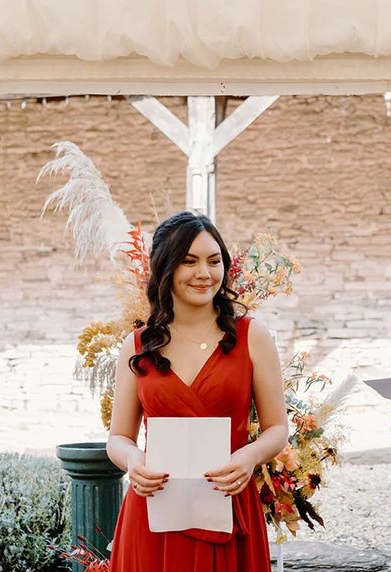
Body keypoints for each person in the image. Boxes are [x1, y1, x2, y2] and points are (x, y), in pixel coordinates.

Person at [107, 211, 288, 571]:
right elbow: (118, 438)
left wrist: (249, 457)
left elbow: (278, 428)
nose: (204, 273)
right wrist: (133, 461)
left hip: (228, 503)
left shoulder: (253, 337)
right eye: (189, 262)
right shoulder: (137, 345)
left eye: (214, 260)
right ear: (165, 267)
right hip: (154, 511)